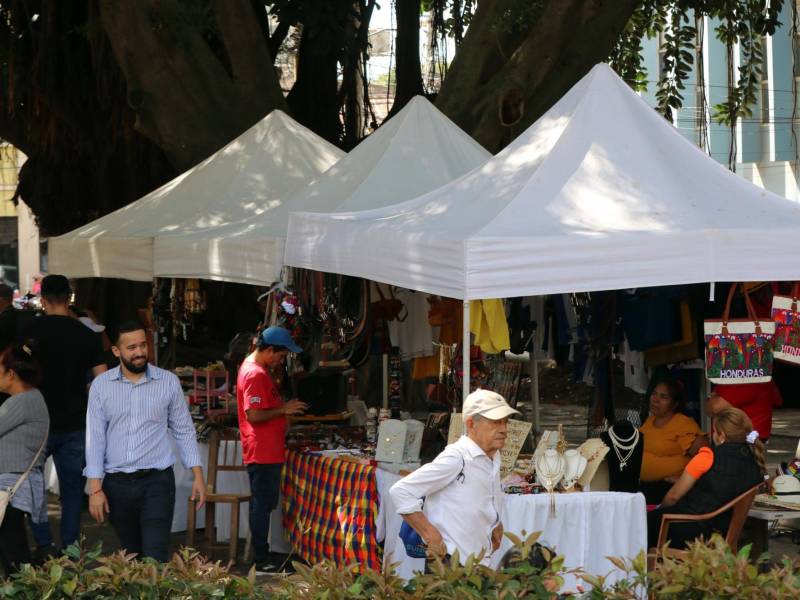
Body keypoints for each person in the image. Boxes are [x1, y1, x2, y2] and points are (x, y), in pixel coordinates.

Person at [84, 321, 206, 562]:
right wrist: (95, 488)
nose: (139, 352)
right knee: (131, 555)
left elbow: (183, 430)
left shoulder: (168, 382)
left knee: (155, 556)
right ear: (116, 351)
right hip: (117, 484)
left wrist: (198, 476)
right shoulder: (101, 386)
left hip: (157, 482)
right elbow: (95, 438)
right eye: (131, 347)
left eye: (142, 345)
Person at [24, 274, 107, 554]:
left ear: (43, 299)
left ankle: (44, 543)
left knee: (35, 487)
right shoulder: (87, 335)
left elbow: (16, 375)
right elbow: (102, 380)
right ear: (69, 298)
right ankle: (70, 545)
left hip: (37, 421)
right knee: (72, 492)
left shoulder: (30, 332)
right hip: (74, 423)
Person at [389, 389, 519, 566]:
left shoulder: (493, 456)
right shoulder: (457, 457)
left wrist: (494, 522)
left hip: (476, 562)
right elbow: (401, 491)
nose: (504, 429)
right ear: (471, 424)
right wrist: (430, 534)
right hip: (451, 564)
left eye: (505, 422)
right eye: (496, 422)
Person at [237, 326, 307, 573]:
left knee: (263, 504)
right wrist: (283, 409)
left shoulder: (257, 370)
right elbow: (254, 414)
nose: (282, 359)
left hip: (266, 448)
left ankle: (263, 555)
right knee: (262, 505)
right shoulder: (255, 374)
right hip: (262, 450)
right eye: (280, 355)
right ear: (268, 350)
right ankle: (262, 558)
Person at [647, 407, 766, 548]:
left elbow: (673, 496)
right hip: (723, 532)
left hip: (692, 531)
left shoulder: (708, 456)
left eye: (714, 431)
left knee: (642, 523)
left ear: (721, 436)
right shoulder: (755, 461)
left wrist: (660, 510)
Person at [0, 343, 49, 573]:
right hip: (14, 488)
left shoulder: (21, 401)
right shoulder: (31, 397)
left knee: (13, 554)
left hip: (11, 490)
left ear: (11, 374)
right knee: (12, 549)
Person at [639, 376, 707, 504]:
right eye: (654, 394)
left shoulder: (682, 424)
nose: (656, 399)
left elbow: (706, 457)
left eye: (663, 397)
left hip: (668, 489)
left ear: (675, 404)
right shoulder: (649, 422)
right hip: (645, 486)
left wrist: (683, 479)